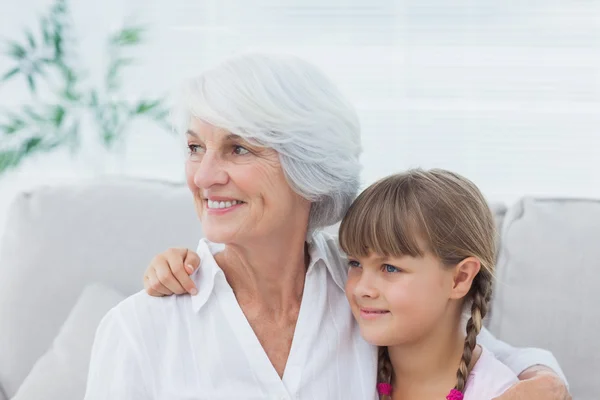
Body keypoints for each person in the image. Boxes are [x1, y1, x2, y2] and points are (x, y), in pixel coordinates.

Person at [86, 52, 570, 399]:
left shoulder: (361, 291)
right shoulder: (140, 329)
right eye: (195, 148)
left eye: (239, 148)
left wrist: (544, 377)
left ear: (308, 169)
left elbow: (471, 346)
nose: (205, 176)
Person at [339, 169, 518, 399]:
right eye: (355, 263)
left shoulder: (498, 391)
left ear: (460, 278)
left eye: (390, 268)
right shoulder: (348, 367)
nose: (362, 288)